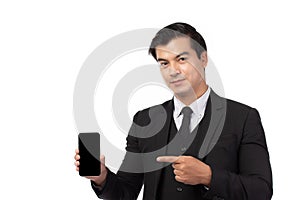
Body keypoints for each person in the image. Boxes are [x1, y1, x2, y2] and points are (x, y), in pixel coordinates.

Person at [74, 22, 273, 200]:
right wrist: (102, 178)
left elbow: (262, 190)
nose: (173, 70)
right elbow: (125, 193)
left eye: (181, 59)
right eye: (164, 63)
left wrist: (209, 177)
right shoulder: (144, 120)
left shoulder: (243, 118)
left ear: (203, 58)